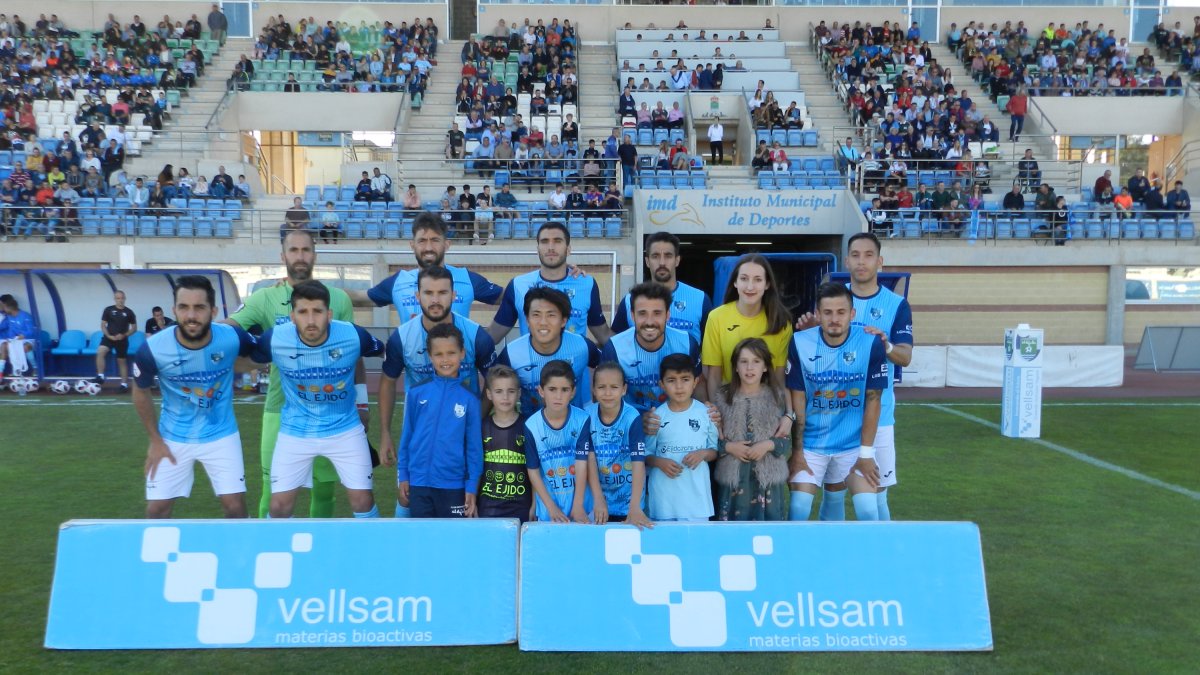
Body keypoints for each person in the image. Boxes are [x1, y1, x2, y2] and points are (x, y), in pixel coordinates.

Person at [226, 230, 357, 519]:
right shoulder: (265, 298)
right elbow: (227, 329)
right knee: (272, 488)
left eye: (306, 250)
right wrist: (256, 356)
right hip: (280, 410)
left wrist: (359, 402)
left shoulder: (338, 299)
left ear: (315, 255)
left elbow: (354, 354)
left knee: (324, 491)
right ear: (283, 256)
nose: (300, 256)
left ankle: (316, 550)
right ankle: (267, 549)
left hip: (331, 411)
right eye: (293, 250)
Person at [249, 280, 384, 519]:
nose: (311, 320)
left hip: (344, 428)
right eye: (303, 312)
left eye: (318, 312)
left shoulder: (353, 336)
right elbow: (245, 357)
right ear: (292, 316)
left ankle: (368, 552)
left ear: (329, 314)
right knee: (279, 506)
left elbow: (379, 354)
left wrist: (362, 404)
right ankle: (276, 553)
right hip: (295, 430)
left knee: (362, 500)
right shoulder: (275, 339)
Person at [132, 276, 256, 518]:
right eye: (183, 307)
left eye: (199, 307)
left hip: (221, 433)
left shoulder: (231, 337)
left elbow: (260, 353)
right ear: (174, 310)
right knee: (156, 510)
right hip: (172, 437)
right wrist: (155, 440)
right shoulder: (153, 349)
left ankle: (239, 554)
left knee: (235, 507)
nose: (191, 315)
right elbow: (140, 390)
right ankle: (158, 554)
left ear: (213, 310)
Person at [786, 283, 887, 521]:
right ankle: (797, 557)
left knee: (868, 509)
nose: (834, 319)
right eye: (828, 312)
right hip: (812, 443)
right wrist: (797, 451)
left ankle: (864, 557)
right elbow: (798, 400)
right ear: (818, 314)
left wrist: (865, 454)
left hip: (852, 445)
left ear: (852, 314)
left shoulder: (870, 342)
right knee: (798, 508)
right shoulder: (800, 342)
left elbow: (874, 400)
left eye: (841, 312)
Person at [837, 233, 914, 521]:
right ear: (847, 260)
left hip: (880, 416)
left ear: (879, 261)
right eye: (855, 254)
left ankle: (884, 560)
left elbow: (905, 356)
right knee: (833, 491)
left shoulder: (896, 304)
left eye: (868, 255)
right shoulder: (833, 298)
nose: (861, 261)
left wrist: (886, 345)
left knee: (878, 492)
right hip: (836, 413)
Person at [388, 323, 483, 518]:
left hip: (453, 485)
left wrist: (472, 486)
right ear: (430, 356)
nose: (445, 359)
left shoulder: (470, 399)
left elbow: (474, 448)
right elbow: (407, 437)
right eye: (439, 354)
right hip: (419, 482)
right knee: (422, 540)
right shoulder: (416, 393)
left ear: (462, 353)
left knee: (451, 540)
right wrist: (404, 475)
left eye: (451, 353)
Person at [352, 213, 503, 321]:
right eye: (422, 241)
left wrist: (488, 337)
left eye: (435, 240)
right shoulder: (398, 281)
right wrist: (328, 292)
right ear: (412, 245)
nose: (428, 247)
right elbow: (360, 298)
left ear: (447, 244)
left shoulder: (467, 279)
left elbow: (507, 298)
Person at [701, 253, 793, 420]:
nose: (750, 286)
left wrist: (784, 415)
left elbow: (778, 376)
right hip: (729, 408)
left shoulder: (781, 322)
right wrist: (719, 415)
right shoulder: (717, 318)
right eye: (744, 278)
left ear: (767, 284)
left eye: (758, 279)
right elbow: (713, 374)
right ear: (735, 282)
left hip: (766, 411)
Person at [487, 222, 612, 345]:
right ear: (538, 249)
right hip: (532, 365)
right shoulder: (518, 285)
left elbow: (603, 334)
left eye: (557, 241)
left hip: (574, 365)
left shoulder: (587, 284)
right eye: (545, 241)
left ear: (568, 249)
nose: (551, 247)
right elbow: (493, 335)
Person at [713, 338, 790, 521]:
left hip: (768, 480)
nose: (749, 368)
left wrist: (768, 445)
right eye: (744, 362)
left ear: (765, 367)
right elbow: (710, 441)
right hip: (734, 480)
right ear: (736, 367)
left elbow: (785, 441)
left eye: (756, 361)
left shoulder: (776, 397)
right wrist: (729, 447)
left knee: (769, 532)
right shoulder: (722, 398)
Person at [494, 287, 600, 414]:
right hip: (530, 428)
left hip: (575, 427)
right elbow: (493, 387)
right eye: (536, 315)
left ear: (563, 320)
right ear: (527, 320)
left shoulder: (582, 346)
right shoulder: (512, 354)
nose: (543, 322)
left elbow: (608, 370)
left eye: (551, 315)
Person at [602, 281, 701, 413]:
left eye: (657, 313)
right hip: (629, 422)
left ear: (667, 315)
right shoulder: (614, 348)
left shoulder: (687, 343)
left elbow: (698, 387)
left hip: (676, 417)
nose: (649, 321)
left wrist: (706, 413)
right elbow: (604, 398)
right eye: (642, 313)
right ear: (632, 316)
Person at [643, 353, 718, 522]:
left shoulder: (707, 414)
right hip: (664, 502)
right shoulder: (656, 417)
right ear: (661, 384)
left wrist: (703, 454)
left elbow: (715, 450)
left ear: (695, 382)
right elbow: (646, 455)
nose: (679, 386)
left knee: (697, 547)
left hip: (697, 502)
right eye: (671, 380)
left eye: (685, 379)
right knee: (666, 547)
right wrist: (660, 463)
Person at [523, 360, 595, 523]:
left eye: (564, 390)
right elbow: (533, 471)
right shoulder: (531, 426)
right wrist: (551, 507)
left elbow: (582, 463)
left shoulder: (582, 419)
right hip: (549, 509)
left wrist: (578, 505)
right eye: (552, 389)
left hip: (582, 507)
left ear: (573, 392)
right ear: (541, 391)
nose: (558, 396)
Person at [585, 363, 651, 528]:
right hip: (599, 502)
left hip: (630, 501)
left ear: (624, 389)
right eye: (601, 387)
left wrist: (635, 506)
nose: (607, 393)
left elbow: (638, 462)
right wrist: (598, 499)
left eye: (614, 387)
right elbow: (589, 460)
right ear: (593, 389)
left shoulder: (632, 417)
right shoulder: (587, 416)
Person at [476, 366, 532, 520]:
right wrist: (473, 500)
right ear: (489, 394)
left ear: (519, 393)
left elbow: (534, 469)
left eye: (511, 391)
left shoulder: (528, 426)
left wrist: (534, 504)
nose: (505, 397)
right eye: (499, 391)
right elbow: (476, 467)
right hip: (488, 506)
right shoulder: (482, 427)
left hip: (521, 506)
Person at [94, 290, 137, 392]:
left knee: (121, 361)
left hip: (122, 339)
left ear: (125, 299)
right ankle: (100, 376)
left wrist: (124, 335)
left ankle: (124, 384)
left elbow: (134, 328)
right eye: (118, 298)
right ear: (115, 299)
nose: (120, 300)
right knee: (101, 351)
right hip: (109, 338)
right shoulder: (108, 310)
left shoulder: (129, 312)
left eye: (122, 298)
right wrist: (109, 336)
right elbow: (103, 325)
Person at [0, 294, 37, 383]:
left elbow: (32, 331)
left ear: (10, 308)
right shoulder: (8, 317)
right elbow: (3, 327)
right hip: (15, 341)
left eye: (5, 308)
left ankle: (36, 368)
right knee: (4, 346)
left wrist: (23, 335)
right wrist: (11, 339)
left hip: (28, 339)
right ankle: (1, 372)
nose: (3, 310)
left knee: (25, 347)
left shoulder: (25, 316)